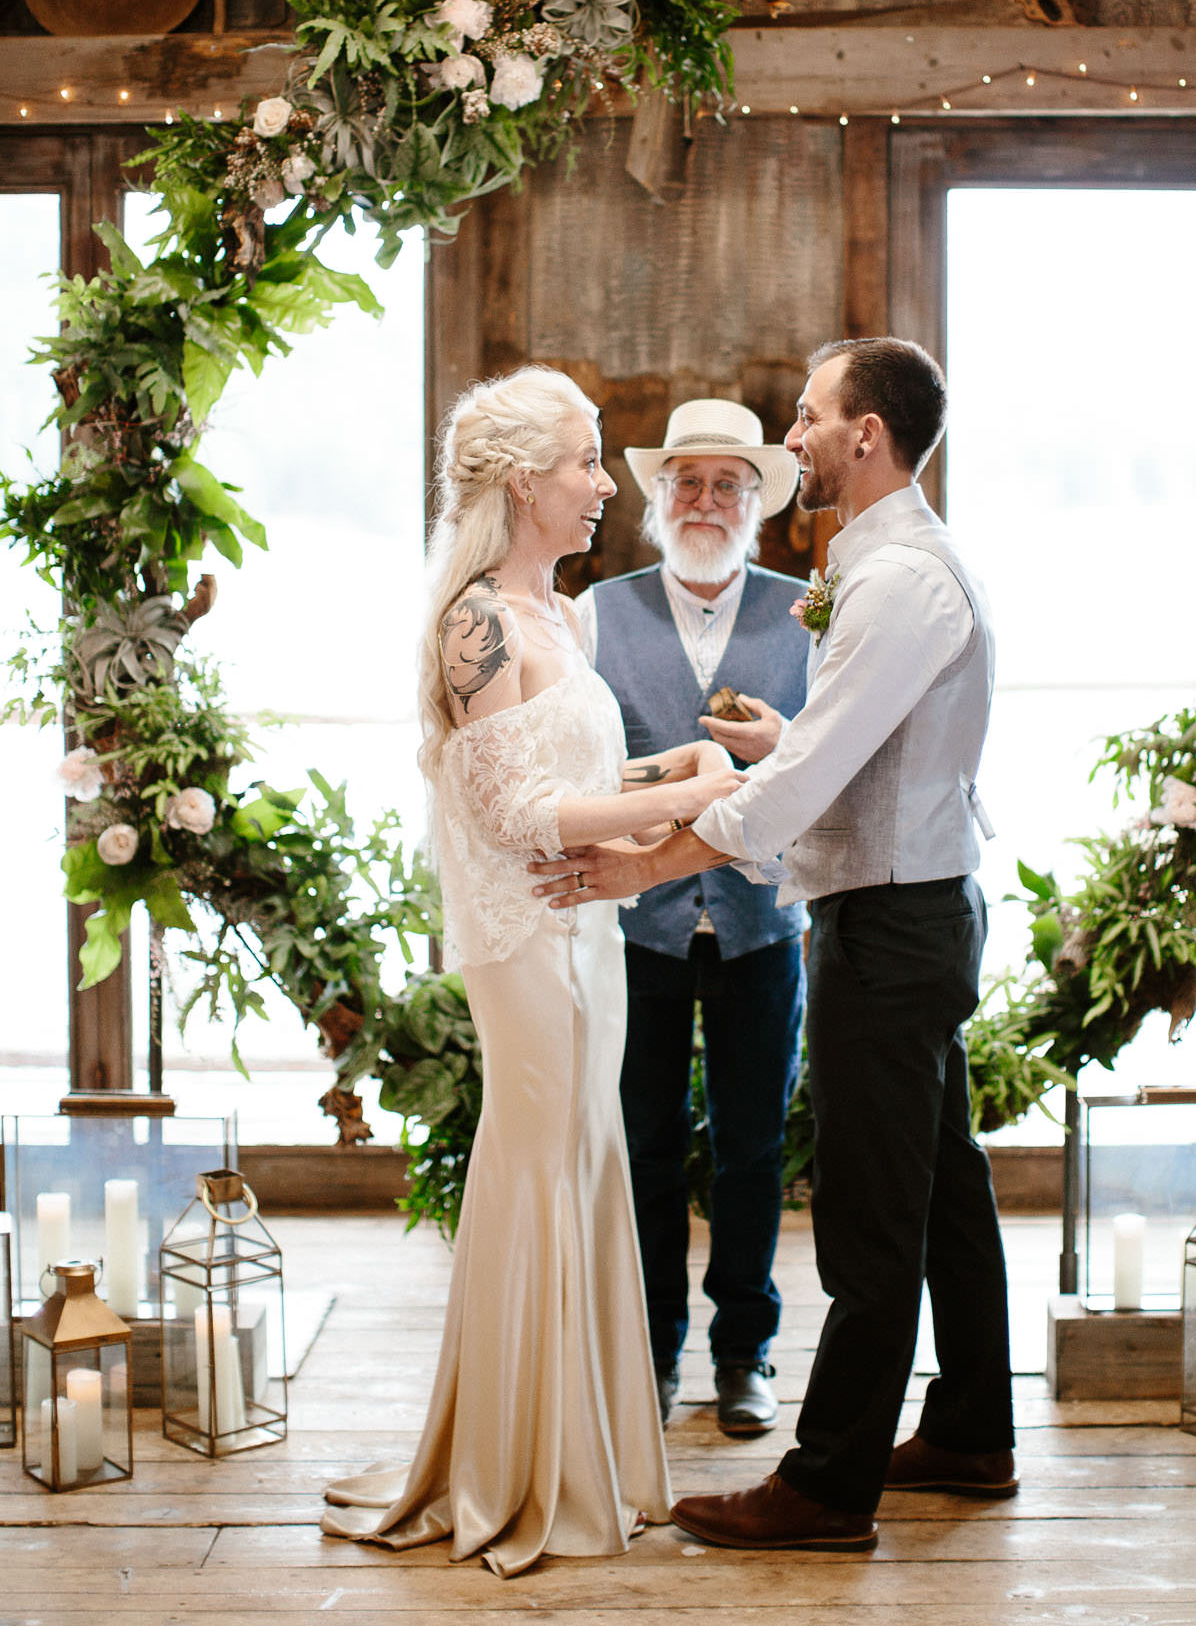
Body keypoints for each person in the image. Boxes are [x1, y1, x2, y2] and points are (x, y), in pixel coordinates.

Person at [530, 337, 1015, 1553]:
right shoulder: (884, 565)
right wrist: (776, 748)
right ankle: (968, 1427)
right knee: (946, 1184)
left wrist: (651, 858)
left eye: (806, 416)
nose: (790, 437)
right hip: (907, 903)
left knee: (868, 1210)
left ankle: (828, 1482)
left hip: (889, 921)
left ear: (866, 433)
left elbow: (801, 794)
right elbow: (846, 751)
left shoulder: (900, 580)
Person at [322, 367, 740, 1578]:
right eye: (586, 460)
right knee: (540, 1162)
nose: (605, 482)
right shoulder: (476, 623)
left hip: (589, 938)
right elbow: (515, 809)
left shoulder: (554, 612)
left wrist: (680, 766)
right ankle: (517, 1467)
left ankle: (588, 1451)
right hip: (527, 940)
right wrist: (700, 794)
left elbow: (577, 767)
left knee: (588, 1161)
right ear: (522, 480)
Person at [574, 399, 808, 1438]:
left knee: (754, 1145)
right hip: (638, 929)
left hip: (764, 925)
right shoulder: (593, 612)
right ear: (656, 494)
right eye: (687, 481)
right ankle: (654, 1344)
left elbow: (828, 768)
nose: (705, 500)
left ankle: (743, 1349)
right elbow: (572, 768)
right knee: (645, 1140)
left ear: (759, 502)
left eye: (728, 483)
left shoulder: (812, 612)